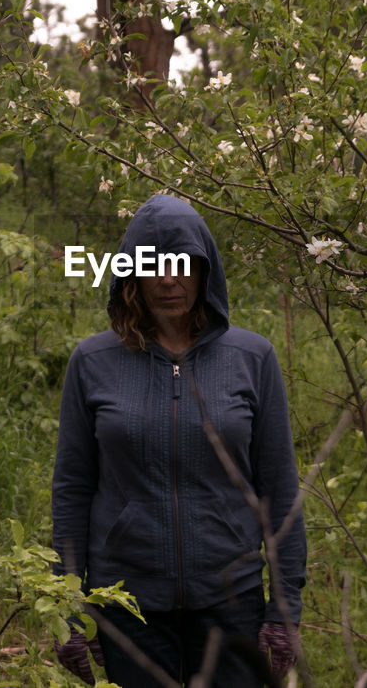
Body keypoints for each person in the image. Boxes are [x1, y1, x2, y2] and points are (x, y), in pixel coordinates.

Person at [52, 194, 306, 687]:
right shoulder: (92, 361)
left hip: (232, 607)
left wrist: (284, 611)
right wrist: (69, 608)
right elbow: (72, 490)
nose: (169, 278)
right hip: (127, 607)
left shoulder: (252, 358)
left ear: (205, 270)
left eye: (183, 263)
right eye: (154, 264)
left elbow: (280, 491)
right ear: (131, 273)